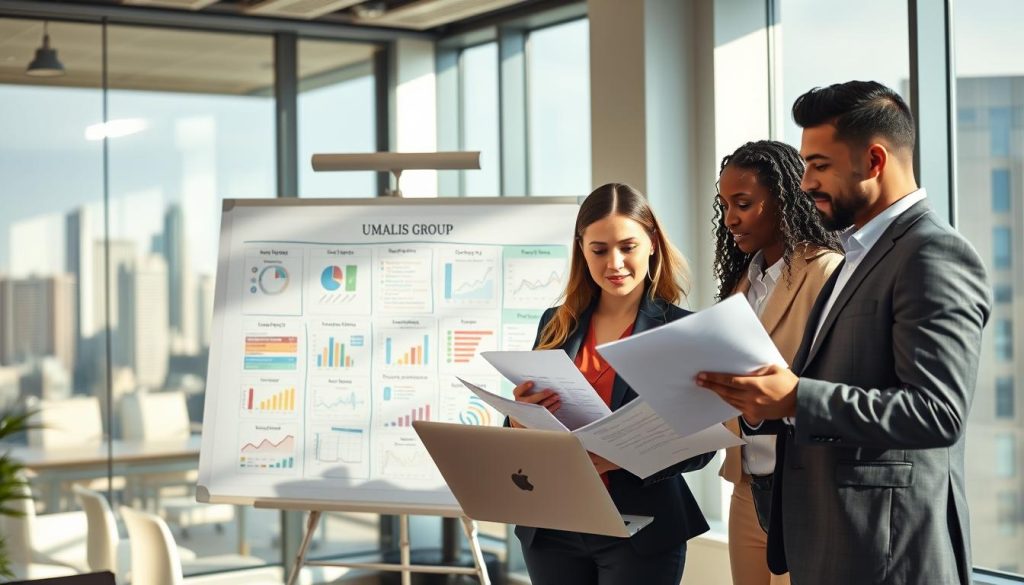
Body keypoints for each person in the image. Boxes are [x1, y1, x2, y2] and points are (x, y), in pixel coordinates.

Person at [696, 81, 991, 585]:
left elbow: (938, 413)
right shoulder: (860, 254)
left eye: (820, 165)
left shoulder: (933, 253)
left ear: (875, 160)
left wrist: (796, 398)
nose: (806, 182)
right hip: (834, 538)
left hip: (885, 550)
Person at [507, 182, 714, 585]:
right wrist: (520, 419)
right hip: (553, 527)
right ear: (581, 250)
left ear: (652, 243)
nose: (614, 262)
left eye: (627, 246)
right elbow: (525, 431)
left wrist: (623, 456)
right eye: (599, 250)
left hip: (640, 529)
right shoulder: (555, 322)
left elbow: (703, 447)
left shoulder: (683, 330)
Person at [712, 140, 842, 585]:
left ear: (784, 198)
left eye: (743, 204)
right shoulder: (742, 283)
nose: (730, 218)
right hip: (747, 483)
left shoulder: (826, 273)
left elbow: (831, 383)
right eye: (725, 205)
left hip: (802, 486)